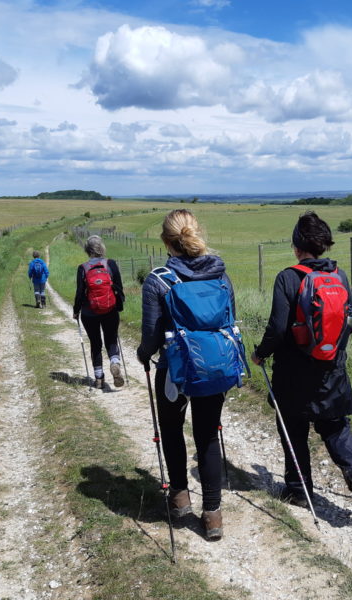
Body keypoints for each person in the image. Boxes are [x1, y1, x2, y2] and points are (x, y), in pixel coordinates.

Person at [251, 211, 352, 516]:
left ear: (296, 246)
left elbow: (278, 328)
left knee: (292, 427)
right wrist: (334, 353)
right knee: (335, 426)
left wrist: (260, 354)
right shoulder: (339, 276)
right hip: (331, 368)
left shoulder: (288, 277)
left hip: (292, 372)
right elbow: (350, 321)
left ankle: (298, 489)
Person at [137, 209, 234, 541]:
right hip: (214, 366)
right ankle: (213, 516)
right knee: (207, 436)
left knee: (172, 430)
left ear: (166, 240)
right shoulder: (220, 273)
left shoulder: (159, 279)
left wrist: (142, 355)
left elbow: (151, 337)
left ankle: (179, 497)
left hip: (174, 371)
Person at [73, 235, 125, 390]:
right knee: (111, 339)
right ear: (101, 248)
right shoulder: (110, 264)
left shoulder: (83, 268)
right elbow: (119, 288)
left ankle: (99, 378)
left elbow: (80, 292)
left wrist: (76, 311)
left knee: (95, 343)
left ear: (87, 250)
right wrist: (119, 306)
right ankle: (114, 362)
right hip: (110, 309)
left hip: (89, 312)